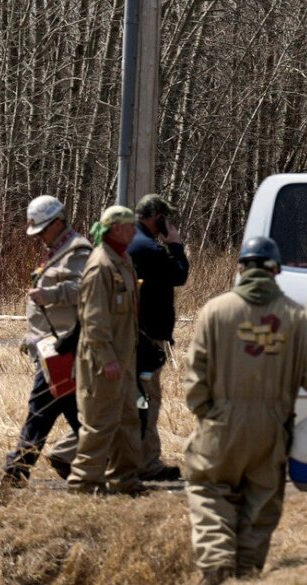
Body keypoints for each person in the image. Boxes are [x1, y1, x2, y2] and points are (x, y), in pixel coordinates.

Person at [184, 238, 307, 585]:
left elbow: (195, 373)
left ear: (241, 267)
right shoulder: (296, 317)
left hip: (221, 421)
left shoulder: (215, 310)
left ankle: (217, 563)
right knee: (261, 503)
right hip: (273, 426)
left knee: (209, 489)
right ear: (276, 269)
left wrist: (205, 411)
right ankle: (248, 572)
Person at [3, 195, 90, 482]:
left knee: (41, 410)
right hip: (49, 347)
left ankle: (15, 471)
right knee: (68, 413)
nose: (38, 236)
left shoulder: (77, 251)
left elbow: (86, 289)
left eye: (41, 229)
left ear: (58, 222)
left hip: (63, 345)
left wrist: (50, 295)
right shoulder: (58, 250)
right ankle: (107, 464)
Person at [68, 205, 145, 495]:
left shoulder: (122, 261)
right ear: (115, 229)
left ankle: (125, 480)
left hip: (124, 357)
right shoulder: (100, 265)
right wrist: (107, 357)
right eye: (129, 226)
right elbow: (93, 317)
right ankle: (84, 482)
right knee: (99, 422)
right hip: (103, 361)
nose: (134, 231)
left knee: (128, 420)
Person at [128, 192, 189, 481]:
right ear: (158, 218)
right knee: (147, 399)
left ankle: (138, 458)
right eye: (167, 217)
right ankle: (147, 463)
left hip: (130, 334)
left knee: (132, 399)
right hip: (148, 337)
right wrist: (175, 245)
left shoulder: (128, 241)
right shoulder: (150, 248)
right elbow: (179, 275)